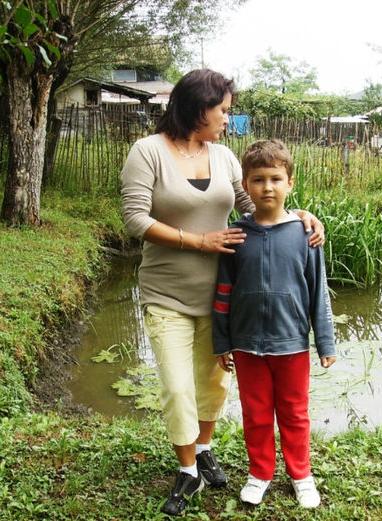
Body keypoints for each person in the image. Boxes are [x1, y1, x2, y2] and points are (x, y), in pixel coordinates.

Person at [120, 70, 325, 516]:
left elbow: (257, 208)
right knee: (177, 388)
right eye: (224, 111)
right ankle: (188, 470)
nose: (228, 120)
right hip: (167, 292)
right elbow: (136, 218)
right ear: (199, 109)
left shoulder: (225, 157)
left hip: (223, 296)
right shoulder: (147, 152)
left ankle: (206, 446)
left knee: (213, 384)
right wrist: (200, 241)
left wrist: (302, 217)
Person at [212, 139, 337, 509]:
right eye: (258, 179)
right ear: (246, 186)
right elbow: (222, 293)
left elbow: (319, 293)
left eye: (276, 179)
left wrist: (325, 343)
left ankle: (301, 474)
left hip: (292, 345)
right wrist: (222, 342)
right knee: (255, 413)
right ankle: (260, 473)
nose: (268, 187)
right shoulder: (236, 235)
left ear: (290, 183)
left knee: (295, 414)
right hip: (246, 345)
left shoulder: (305, 234)